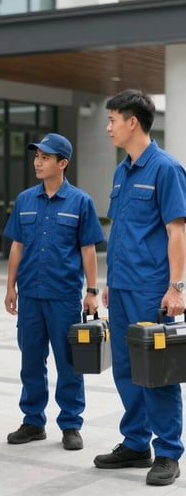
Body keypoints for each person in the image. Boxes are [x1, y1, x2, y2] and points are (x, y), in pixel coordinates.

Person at [94, 89, 186, 486]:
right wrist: (111, 281)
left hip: (152, 289)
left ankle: (167, 451)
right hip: (124, 286)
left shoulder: (166, 169)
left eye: (113, 119)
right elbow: (121, 231)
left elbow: (177, 232)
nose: (108, 126)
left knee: (158, 371)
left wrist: (177, 287)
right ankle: (135, 443)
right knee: (128, 369)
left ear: (133, 122)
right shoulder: (121, 170)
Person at [4, 133, 104, 450]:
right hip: (30, 295)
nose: (38, 162)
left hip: (63, 296)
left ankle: (71, 424)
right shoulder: (24, 200)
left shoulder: (81, 202)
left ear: (62, 163)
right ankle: (33, 421)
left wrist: (91, 290)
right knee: (31, 362)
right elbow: (16, 246)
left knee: (69, 363)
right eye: (37, 156)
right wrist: (10, 286)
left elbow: (88, 249)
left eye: (45, 157)